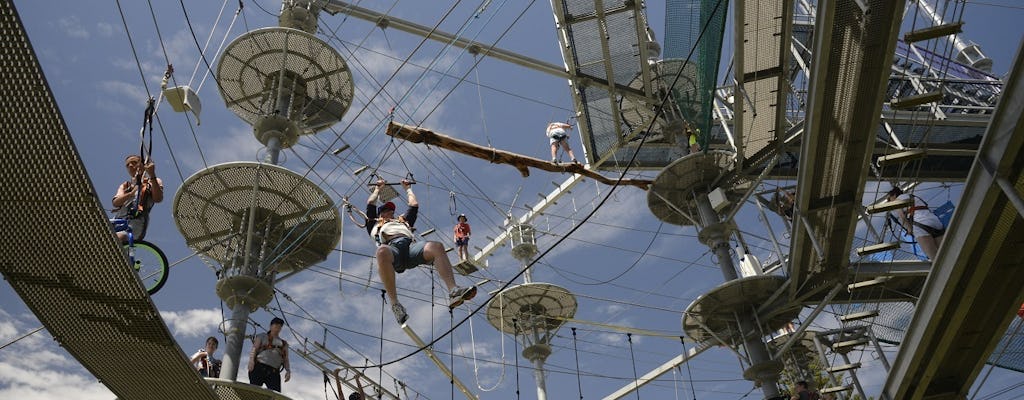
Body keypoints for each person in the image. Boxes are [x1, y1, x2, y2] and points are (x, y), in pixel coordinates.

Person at [366, 179, 477, 325]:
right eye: (386, 210)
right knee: (381, 252)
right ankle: (395, 305)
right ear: (380, 214)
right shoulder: (373, 223)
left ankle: (453, 291)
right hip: (392, 250)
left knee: (436, 246)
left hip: (410, 248)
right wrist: (377, 189)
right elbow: (370, 203)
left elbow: (414, 205)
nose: (390, 212)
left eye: (391, 210)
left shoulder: (403, 221)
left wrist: (408, 189)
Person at [112, 154, 164, 243]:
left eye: (134, 163)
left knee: (120, 238)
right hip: (118, 220)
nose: (131, 166)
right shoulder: (125, 185)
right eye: (128, 165)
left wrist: (152, 174)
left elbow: (158, 198)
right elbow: (116, 202)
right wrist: (131, 194)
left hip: (136, 222)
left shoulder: (152, 181)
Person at [887, 187, 945, 260]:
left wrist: (909, 229)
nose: (889, 201)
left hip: (920, 225)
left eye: (889, 199)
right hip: (934, 221)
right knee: (946, 252)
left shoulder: (897, 201)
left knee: (934, 257)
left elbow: (902, 217)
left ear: (894, 195)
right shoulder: (912, 196)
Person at [248, 317, 291, 392]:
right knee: (254, 392)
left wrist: (288, 371)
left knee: (275, 395)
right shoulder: (262, 336)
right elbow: (254, 349)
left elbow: (286, 359)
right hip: (259, 367)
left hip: (274, 372)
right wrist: (251, 361)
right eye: (276, 325)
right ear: (271, 326)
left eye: (280, 326)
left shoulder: (284, 344)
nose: (278, 328)